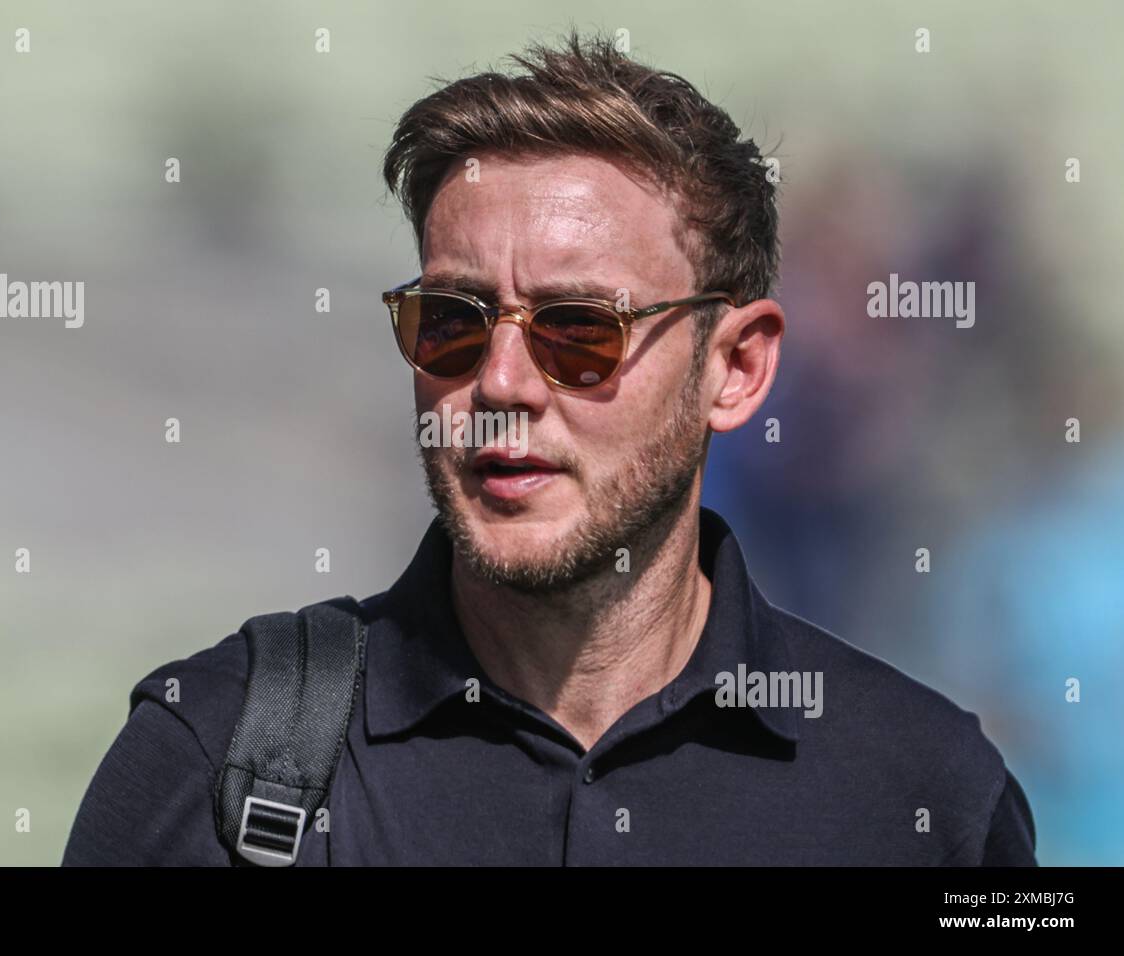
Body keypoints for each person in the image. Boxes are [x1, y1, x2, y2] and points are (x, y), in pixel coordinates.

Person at [62, 29, 1036, 866]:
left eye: (579, 329)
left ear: (734, 368)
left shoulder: (922, 798)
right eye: (450, 319)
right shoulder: (213, 753)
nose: (499, 381)